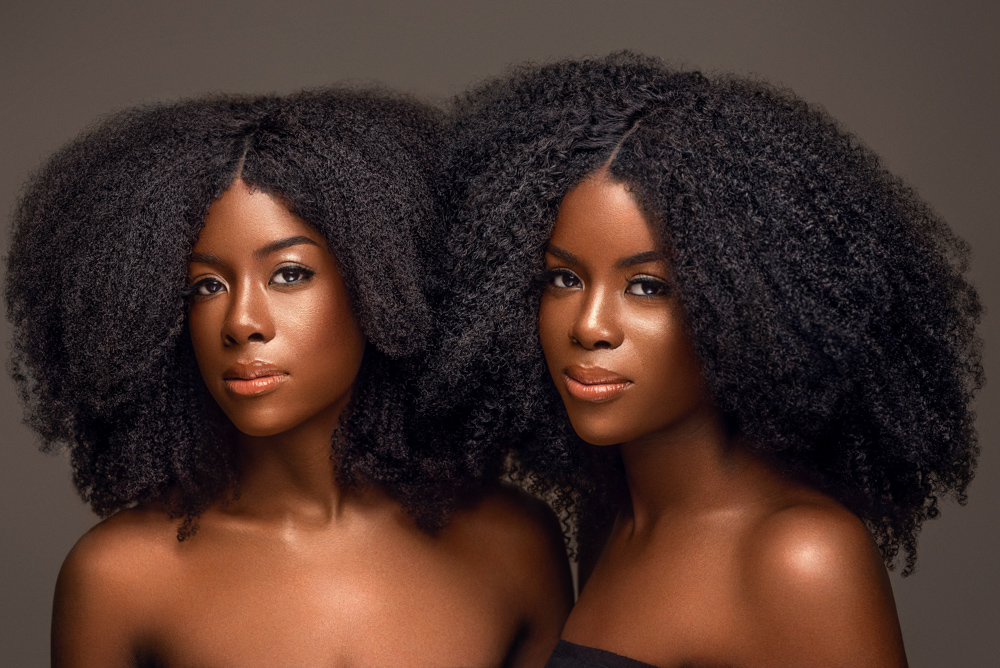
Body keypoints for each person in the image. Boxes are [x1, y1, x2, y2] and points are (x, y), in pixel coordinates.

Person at [429, 52, 982, 666]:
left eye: (648, 288)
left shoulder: (801, 557)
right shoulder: (609, 517)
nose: (589, 327)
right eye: (563, 279)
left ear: (747, 305)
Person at [5, 87, 571, 667]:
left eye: (289, 274)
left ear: (384, 286)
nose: (242, 322)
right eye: (206, 286)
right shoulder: (120, 579)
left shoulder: (514, 545)